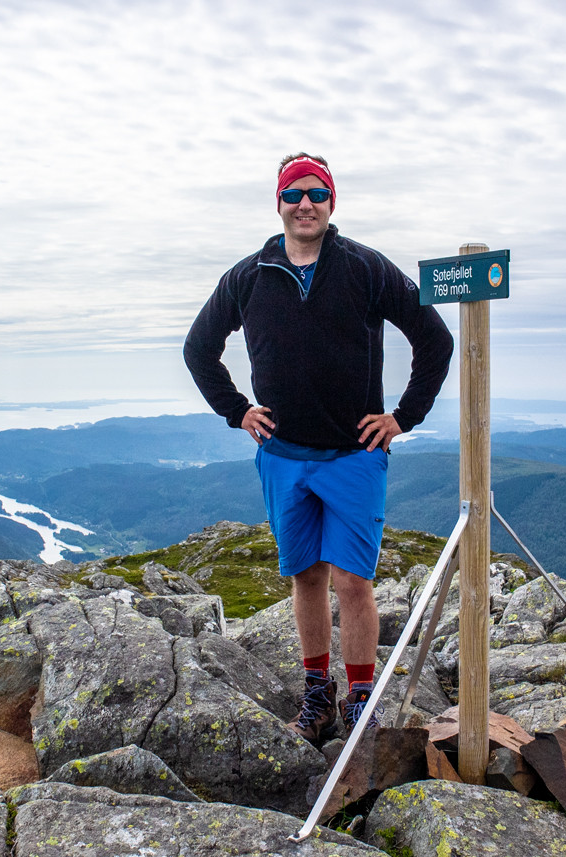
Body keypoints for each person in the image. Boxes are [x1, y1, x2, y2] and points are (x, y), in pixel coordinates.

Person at [183, 153, 454, 742]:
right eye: (294, 193)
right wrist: (236, 411)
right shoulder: (249, 274)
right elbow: (198, 348)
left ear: (332, 202)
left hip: (353, 455)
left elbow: (434, 338)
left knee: (353, 581)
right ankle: (317, 696)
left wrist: (404, 417)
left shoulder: (365, 267)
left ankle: (360, 698)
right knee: (305, 576)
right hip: (283, 457)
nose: (305, 203)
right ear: (277, 202)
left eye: (317, 192)